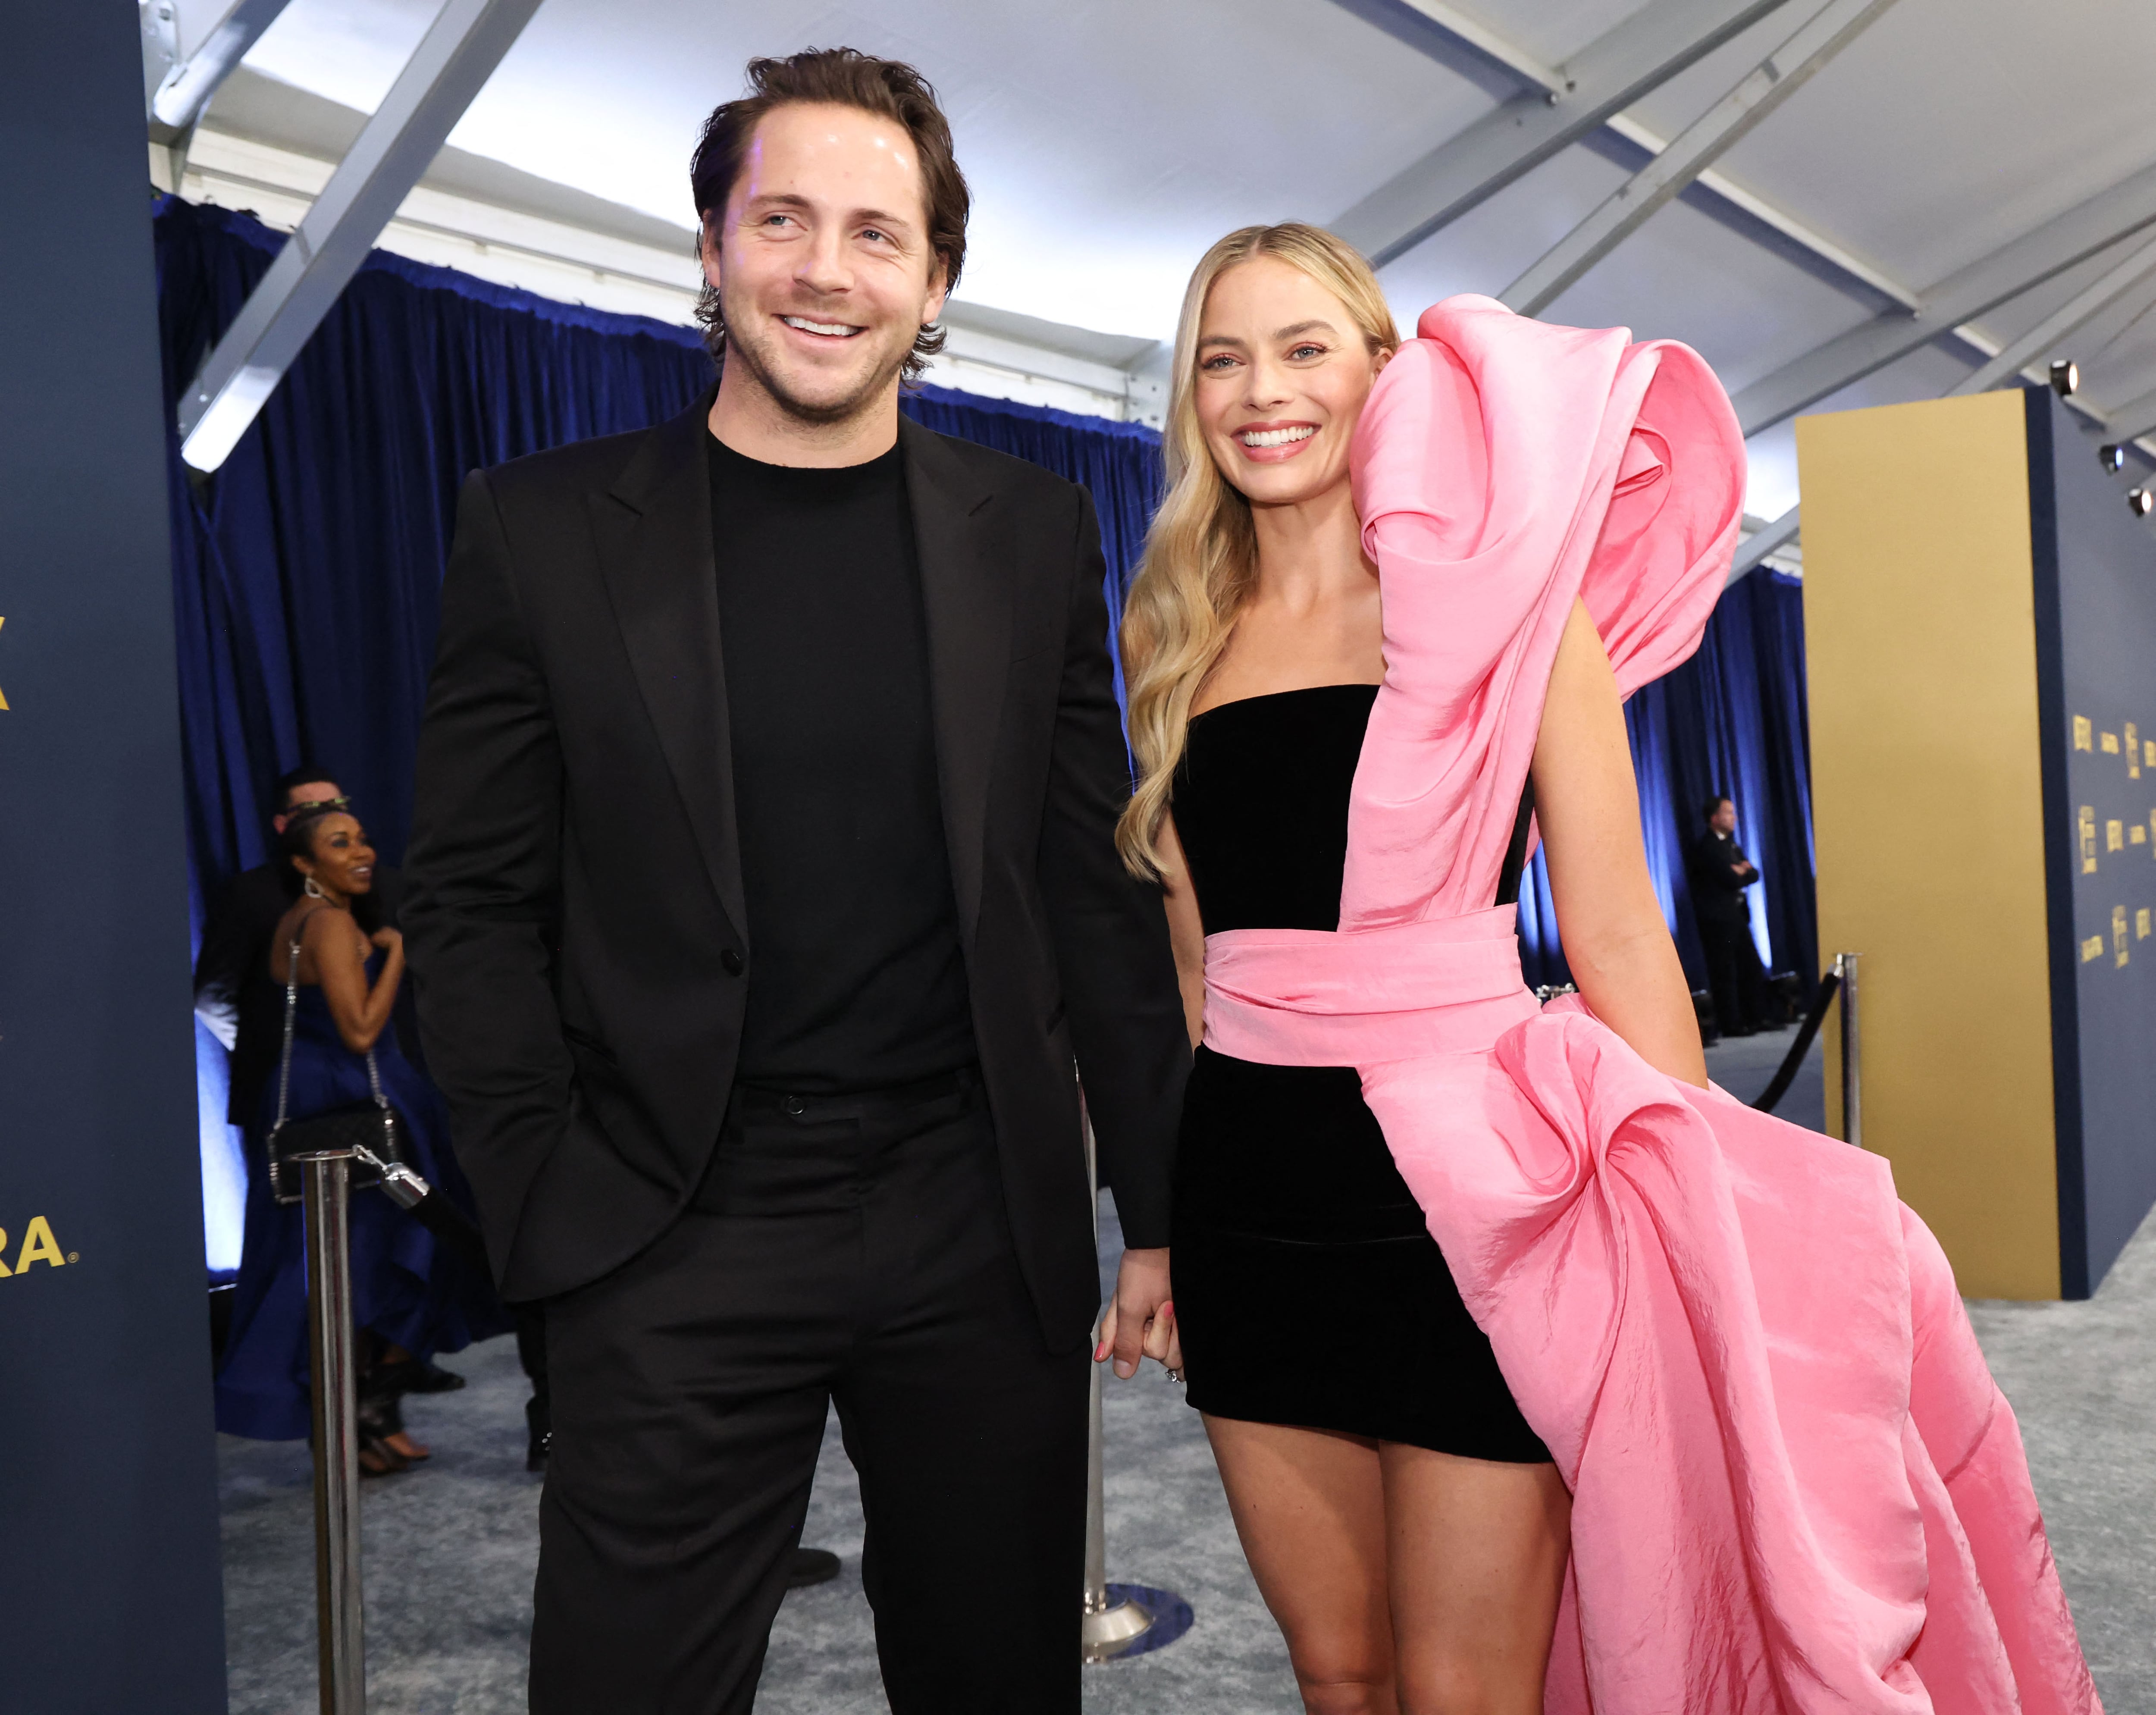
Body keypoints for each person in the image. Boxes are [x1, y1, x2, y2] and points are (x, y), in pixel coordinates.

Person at [1122, 225, 2096, 1713]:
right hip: (1254, 1207)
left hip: (1472, 1217)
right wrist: (1171, 1227)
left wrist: (1695, 1219)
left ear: (1385, 372)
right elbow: (1197, 964)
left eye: (1304, 346)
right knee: (1339, 1669)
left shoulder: (1514, 624)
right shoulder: (1174, 639)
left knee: (1467, 1688)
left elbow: (1623, 930)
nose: (1264, 390)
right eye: (1223, 357)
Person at [401, 47, 1187, 1715]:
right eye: (782, 219)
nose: (825, 269)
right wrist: (551, 1195)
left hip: (976, 1217)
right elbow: (467, 900)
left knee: (993, 1683)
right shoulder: (540, 530)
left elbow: (1084, 878)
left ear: (934, 281)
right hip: (669, 1219)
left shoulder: (1031, 532)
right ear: (710, 245)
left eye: (875, 234)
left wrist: (1158, 1208)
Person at [213, 805, 508, 1472]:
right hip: (356, 1101)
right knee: (393, 1259)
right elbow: (361, 1032)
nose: (361, 851)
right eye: (339, 843)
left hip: (314, 1093)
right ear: (303, 864)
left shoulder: (299, 922)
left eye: (363, 838)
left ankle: (361, 1423)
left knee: (346, 1272)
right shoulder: (332, 923)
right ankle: (363, 1417)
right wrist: (399, 952)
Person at [1688, 792, 1768, 1038]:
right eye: (1728, 812)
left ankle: (1756, 1018)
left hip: (1737, 918)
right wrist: (1739, 872)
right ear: (1714, 818)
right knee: (1727, 970)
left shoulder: (1732, 844)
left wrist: (1742, 870)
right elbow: (1730, 878)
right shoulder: (1709, 847)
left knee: (1751, 967)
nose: (1734, 817)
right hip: (1720, 922)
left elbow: (1754, 875)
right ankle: (1732, 1024)